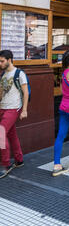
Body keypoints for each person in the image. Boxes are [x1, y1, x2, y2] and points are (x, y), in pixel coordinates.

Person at [0, 50, 28, 178]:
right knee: (11, 134)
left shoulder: (19, 73)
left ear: (9, 59)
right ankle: (19, 159)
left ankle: (5, 164)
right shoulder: (2, 75)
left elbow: (26, 93)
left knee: (1, 132)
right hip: (2, 108)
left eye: (2, 61)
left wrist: (24, 110)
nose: (0, 63)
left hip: (13, 108)